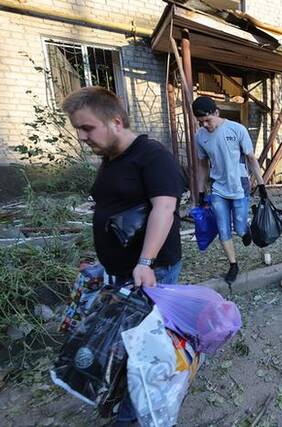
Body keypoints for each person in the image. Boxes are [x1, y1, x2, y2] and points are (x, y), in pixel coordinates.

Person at [62, 86, 185, 425]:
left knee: (142, 348)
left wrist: (144, 262)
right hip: (122, 272)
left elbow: (165, 208)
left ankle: (133, 417)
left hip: (151, 270)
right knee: (123, 341)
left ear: (115, 122)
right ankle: (124, 401)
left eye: (87, 128)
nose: (82, 136)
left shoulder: (151, 155)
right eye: (78, 129)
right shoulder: (111, 159)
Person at [192, 96, 267, 284]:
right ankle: (233, 264)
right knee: (223, 228)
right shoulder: (200, 136)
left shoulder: (237, 130)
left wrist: (262, 185)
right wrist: (201, 192)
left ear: (217, 112)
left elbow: (251, 159)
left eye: (208, 120)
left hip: (239, 187)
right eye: (201, 122)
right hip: (218, 189)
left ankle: (246, 230)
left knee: (239, 226)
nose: (206, 125)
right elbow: (202, 165)